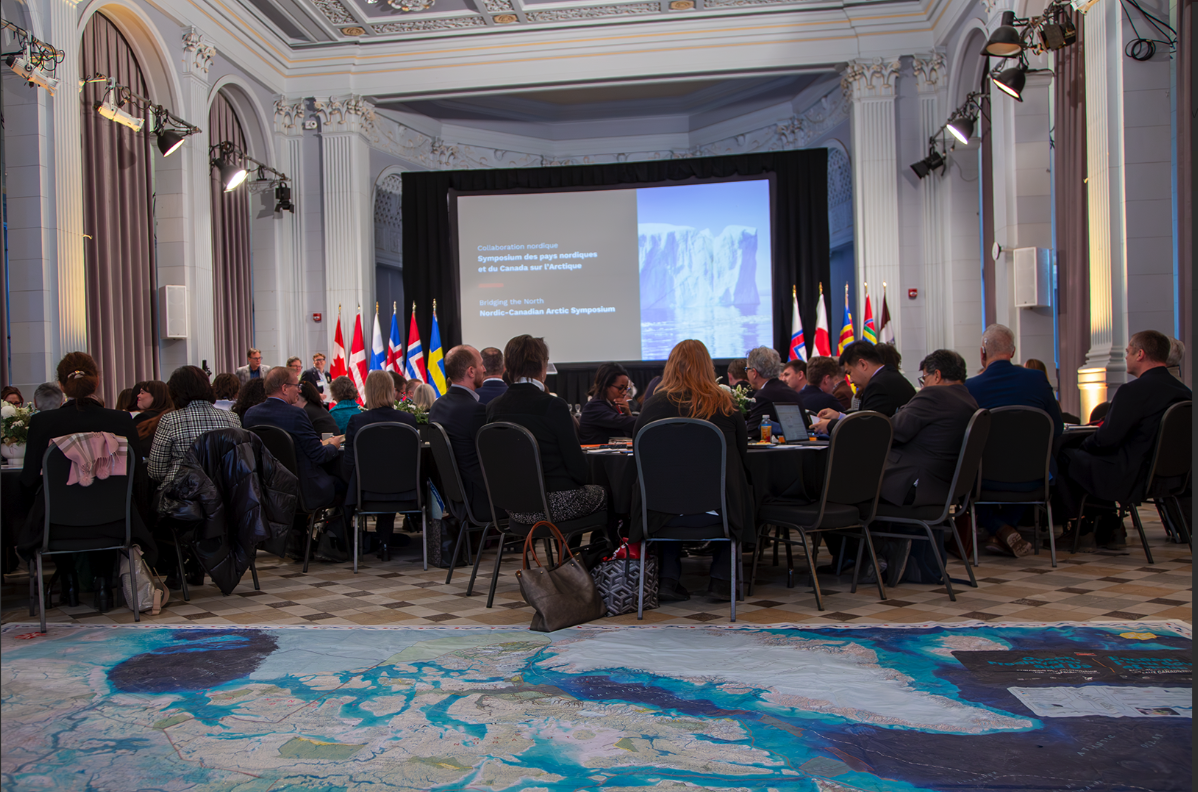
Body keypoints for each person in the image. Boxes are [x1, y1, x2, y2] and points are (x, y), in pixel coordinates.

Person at [19, 352, 155, 612]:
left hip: (56, 527)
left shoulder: (41, 422)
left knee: (51, 503)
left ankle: (68, 582)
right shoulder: (120, 420)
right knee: (106, 500)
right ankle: (104, 584)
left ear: (61, 386)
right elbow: (137, 476)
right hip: (115, 523)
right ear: (97, 382)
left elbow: (27, 479)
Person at [633, 339, 753, 602]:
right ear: (707, 367)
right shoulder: (726, 403)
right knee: (734, 484)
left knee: (670, 486)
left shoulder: (653, 406)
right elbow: (741, 456)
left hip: (661, 514)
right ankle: (722, 580)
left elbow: (638, 454)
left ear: (671, 367)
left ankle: (667, 578)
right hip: (717, 513)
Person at [1058, 330, 1192, 548]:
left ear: (1140, 354)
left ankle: (1082, 528)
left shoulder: (1133, 391)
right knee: (1089, 460)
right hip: (1171, 477)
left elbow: (1106, 440)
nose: (1126, 356)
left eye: (1128, 351)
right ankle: (1109, 526)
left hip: (1132, 475)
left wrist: (1083, 444)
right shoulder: (1185, 393)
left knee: (1067, 456)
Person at [868, 350, 979, 586]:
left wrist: (837, 423)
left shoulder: (934, 395)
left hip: (915, 489)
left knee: (850, 487)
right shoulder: (969, 400)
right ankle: (886, 555)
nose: (924, 384)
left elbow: (892, 431)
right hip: (943, 490)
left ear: (936, 375)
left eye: (924, 378)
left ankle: (872, 559)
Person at [485, 335, 606, 525]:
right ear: (543, 366)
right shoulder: (553, 405)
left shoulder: (493, 407)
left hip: (513, 507)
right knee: (613, 494)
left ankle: (566, 553)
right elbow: (579, 470)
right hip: (554, 505)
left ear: (507, 366)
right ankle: (598, 554)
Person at [965, 324, 1063, 558]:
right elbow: (1056, 428)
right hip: (1035, 477)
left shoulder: (971, 387)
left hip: (985, 479)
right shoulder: (1037, 379)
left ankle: (999, 528)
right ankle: (1006, 530)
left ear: (982, 353)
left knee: (967, 481)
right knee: (1028, 464)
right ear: (1013, 352)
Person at [243, 366, 345, 531]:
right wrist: (333, 445)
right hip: (303, 491)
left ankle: (297, 541)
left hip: (268, 491)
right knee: (345, 486)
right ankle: (331, 543)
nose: (299, 390)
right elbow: (319, 456)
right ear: (284, 388)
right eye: (296, 386)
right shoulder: (296, 414)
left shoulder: (250, 415)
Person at [342, 370, 418, 559]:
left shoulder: (357, 421)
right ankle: (386, 540)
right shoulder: (408, 420)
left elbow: (349, 463)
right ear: (392, 391)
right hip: (406, 491)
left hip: (366, 493)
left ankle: (344, 541)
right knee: (390, 478)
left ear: (368, 391)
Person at [147, 366, 242, 495]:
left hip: (181, 497)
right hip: (225, 494)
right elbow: (239, 461)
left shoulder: (169, 420)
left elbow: (156, 471)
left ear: (174, 392)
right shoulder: (233, 418)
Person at [428, 345, 491, 521]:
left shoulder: (437, 406)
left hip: (455, 500)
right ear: (471, 371)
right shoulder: (475, 411)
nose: (484, 369)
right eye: (481, 365)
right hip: (482, 502)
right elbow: (492, 459)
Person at [812, 340, 915, 435]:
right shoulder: (887, 377)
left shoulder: (879, 385)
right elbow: (865, 416)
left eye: (850, 373)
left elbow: (866, 427)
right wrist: (839, 416)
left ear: (863, 364)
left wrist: (830, 425)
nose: (851, 380)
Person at [743, 346, 802, 440]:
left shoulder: (763, 396)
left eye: (747, 369)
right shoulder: (793, 393)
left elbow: (752, 432)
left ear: (754, 372)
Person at [578, 363, 637, 444]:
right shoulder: (594, 407)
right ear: (605, 386)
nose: (624, 393)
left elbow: (627, 429)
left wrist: (628, 413)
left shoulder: (609, 404)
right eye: (620, 388)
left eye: (626, 388)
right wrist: (648, 419)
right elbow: (621, 422)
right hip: (597, 455)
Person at [132, 381, 174, 460]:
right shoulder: (171, 417)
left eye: (142, 393)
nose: (138, 396)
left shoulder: (144, 418)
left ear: (156, 396)